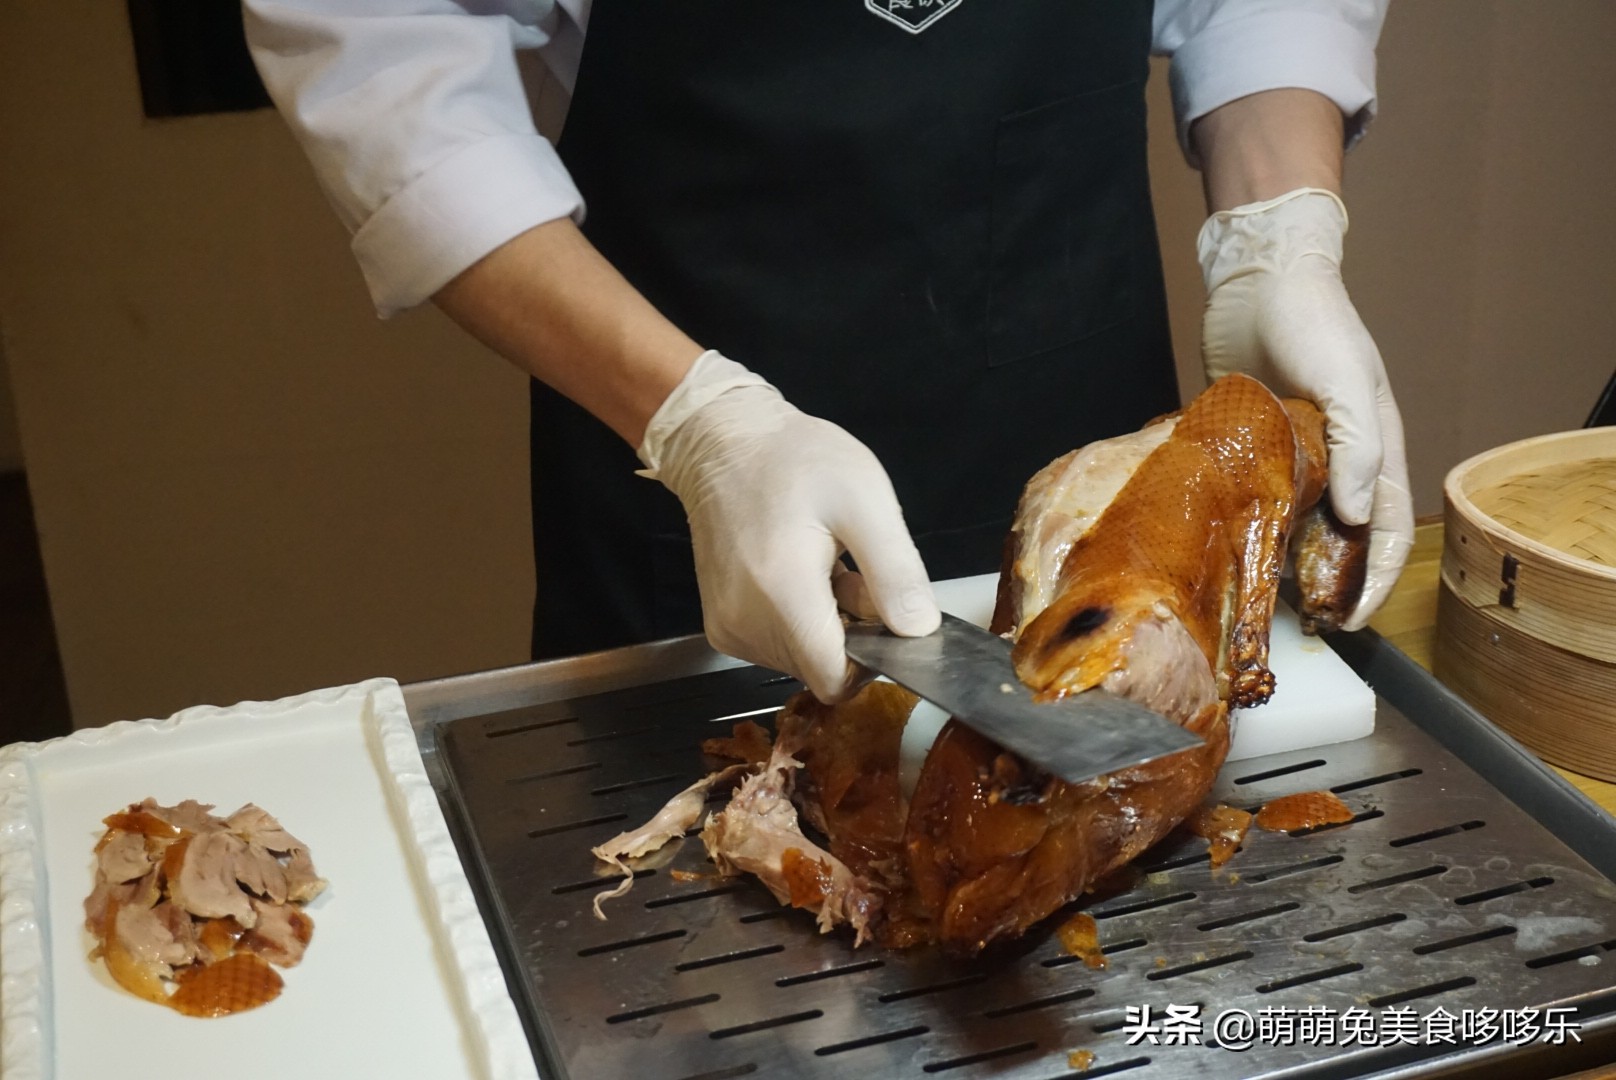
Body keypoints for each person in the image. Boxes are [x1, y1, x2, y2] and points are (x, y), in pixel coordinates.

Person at [243, 0, 1413, 703]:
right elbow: (383, 53)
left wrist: (1277, 238)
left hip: (1079, 396)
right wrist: (702, 427)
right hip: (691, 436)